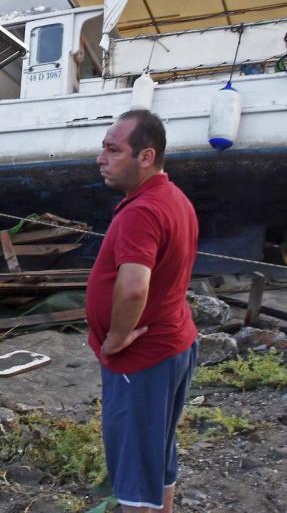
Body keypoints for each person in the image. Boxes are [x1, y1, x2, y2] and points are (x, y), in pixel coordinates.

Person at [87, 109, 199, 512]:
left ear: (146, 157)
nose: (101, 158)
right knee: (158, 453)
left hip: (143, 358)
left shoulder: (141, 211)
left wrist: (115, 338)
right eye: (103, 148)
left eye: (113, 150)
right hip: (173, 344)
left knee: (134, 473)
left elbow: (134, 288)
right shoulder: (175, 198)